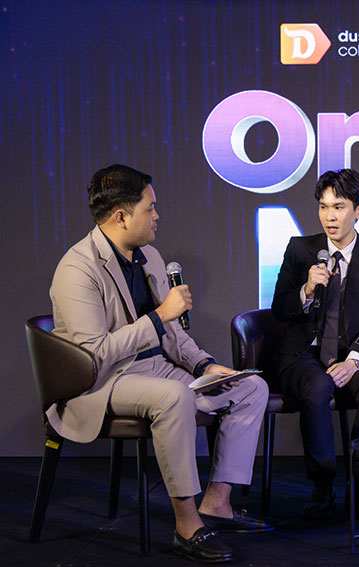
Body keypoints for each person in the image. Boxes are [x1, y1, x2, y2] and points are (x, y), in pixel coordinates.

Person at [48, 164, 271, 563]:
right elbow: (93, 355)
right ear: (121, 216)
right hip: (104, 381)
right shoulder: (76, 268)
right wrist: (158, 316)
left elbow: (174, 334)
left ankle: (217, 503)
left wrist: (204, 365)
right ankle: (187, 525)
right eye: (149, 208)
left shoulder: (149, 255)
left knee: (250, 387)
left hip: (158, 371)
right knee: (172, 397)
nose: (157, 216)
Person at [271, 168, 359, 521]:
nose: (329, 216)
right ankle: (322, 484)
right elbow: (279, 309)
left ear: (358, 211)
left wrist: (354, 361)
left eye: (338, 207)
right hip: (303, 356)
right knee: (317, 385)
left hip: (351, 354)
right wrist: (306, 290)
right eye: (323, 207)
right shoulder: (300, 250)